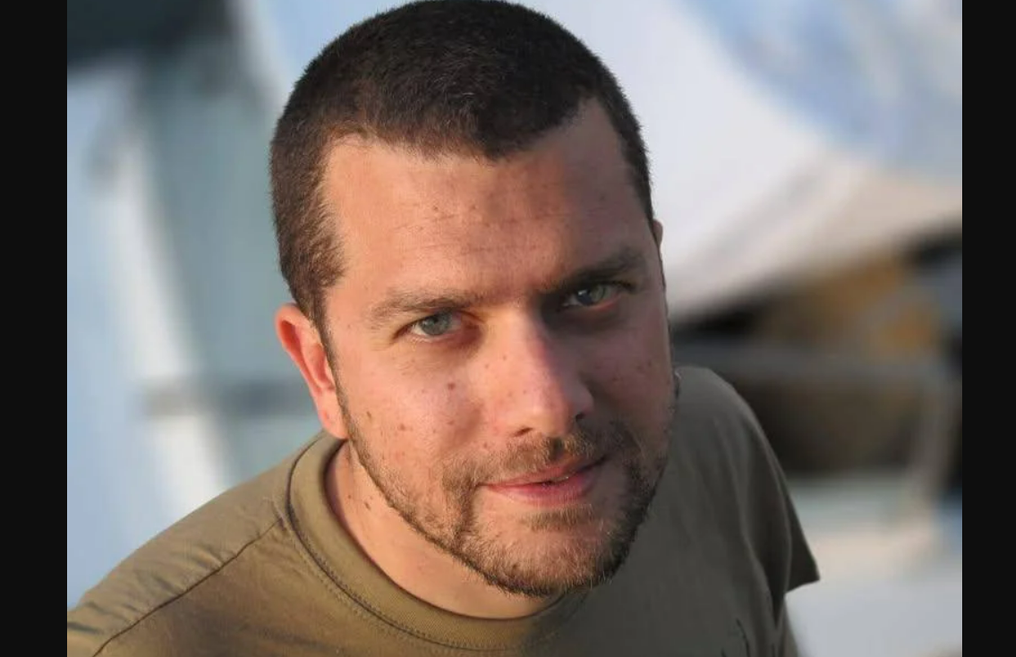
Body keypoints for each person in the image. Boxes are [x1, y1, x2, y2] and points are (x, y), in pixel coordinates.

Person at [67, 1, 819, 654]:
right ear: (320, 369)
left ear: (657, 272)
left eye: (590, 293)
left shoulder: (712, 446)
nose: (548, 403)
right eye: (437, 323)